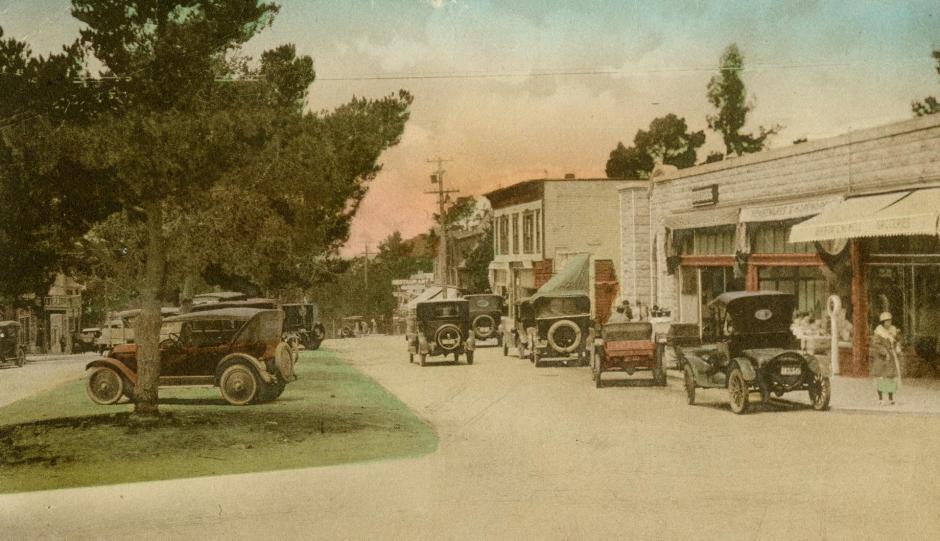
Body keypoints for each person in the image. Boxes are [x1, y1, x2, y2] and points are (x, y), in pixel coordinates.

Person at [869, 312, 901, 406]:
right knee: (881, 378)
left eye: (890, 321)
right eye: (886, 321)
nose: (889, 323)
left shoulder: (893, 330)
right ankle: (881, 398)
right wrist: (884, 352)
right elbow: (876, 344)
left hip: (890, 357)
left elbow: (896, 341)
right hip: (881, 358)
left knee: (890, 378)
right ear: (882, 322)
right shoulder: (879, 332)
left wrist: (897, 344)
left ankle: (891, 398)